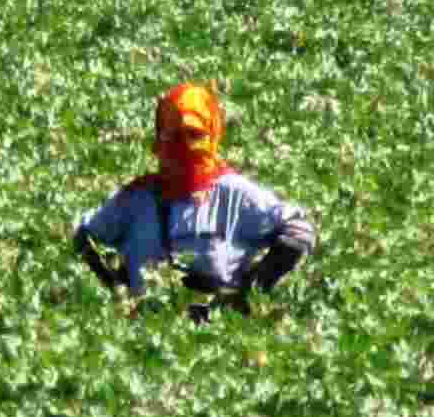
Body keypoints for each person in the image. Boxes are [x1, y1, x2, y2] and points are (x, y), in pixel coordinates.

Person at [73, 82, 315, 320]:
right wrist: (115, 286)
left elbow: (300, 231)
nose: (184, 146)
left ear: (213, 136)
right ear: (159, 138)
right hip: (143, 335)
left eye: (195, 135)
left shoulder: (233, 193)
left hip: (217, 338)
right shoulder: (136, 198)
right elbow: (84, 236)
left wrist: (248, 291)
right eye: (174, 135)